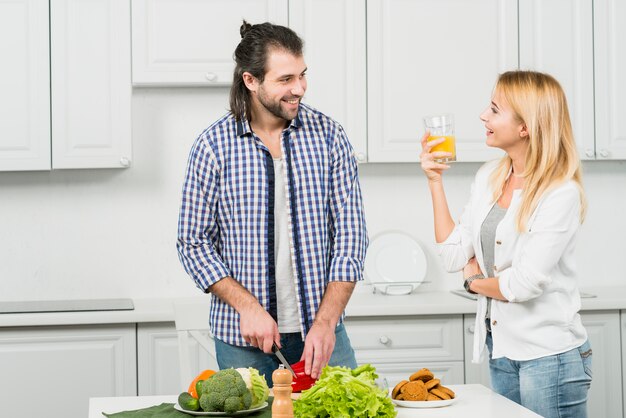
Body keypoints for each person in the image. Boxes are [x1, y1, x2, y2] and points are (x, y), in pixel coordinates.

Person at [176, 20, 367, 386]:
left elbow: (351, 238)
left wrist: (326, 323)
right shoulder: (212, 146)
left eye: (302, 75)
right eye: (285, 80)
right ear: (251, 80)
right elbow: (193, 242)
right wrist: (248, 307)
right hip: (245, 342)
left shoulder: (330, 137)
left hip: (323, 335)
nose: (299, 89)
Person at [420, 70, 592, 417]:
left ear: (525, 127)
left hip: (549, 358)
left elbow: (523, 284)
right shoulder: (490, 176)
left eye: (495, 109)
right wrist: (434, 181)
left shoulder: (560, 193)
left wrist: (473, 282)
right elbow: (454, 253)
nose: (483, 115)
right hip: (501, 349)